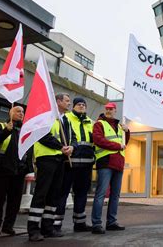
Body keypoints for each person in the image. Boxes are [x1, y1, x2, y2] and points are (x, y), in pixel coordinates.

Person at [27, 93, 74, 242]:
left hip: (59, 159)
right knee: (41, 194)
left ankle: (47, 227)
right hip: (46, 159)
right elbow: (42, 135)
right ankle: (33, 229)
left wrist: (71, 147)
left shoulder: (63, 120)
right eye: (67, 101)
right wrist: (61, 147)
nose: (69, 104)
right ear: (58, 101)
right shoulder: (46, 116)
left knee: (54, 195)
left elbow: (71, 138)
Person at [0, 106, 33, 236]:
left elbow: (28, 149)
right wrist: (7, 131)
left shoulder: (24, 130)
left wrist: (28, 167)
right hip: (3, 169)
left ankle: (8, 226)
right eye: (18, 111)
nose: (21, 113)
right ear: (10, 112)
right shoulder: (1, 126)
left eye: (22, 112)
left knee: (14, 201)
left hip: (19, 170)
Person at [54, 97, 94, 233]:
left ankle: (80, 223)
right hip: (69, 163)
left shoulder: (91, 123)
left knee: (82, 194)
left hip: (86, 165)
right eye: (78, 104)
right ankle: (56, 224)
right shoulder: (66, 118)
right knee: (63, 193)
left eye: (83, 104)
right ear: (73, 107)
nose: (81, 106)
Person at [91, 102, 129, 234]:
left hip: (118, 162)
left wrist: (127, 131)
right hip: (105, 162)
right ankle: (96, 224)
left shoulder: (119, 126)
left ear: (115, 110)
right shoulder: (99, 124)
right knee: (101, 193)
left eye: (111, 109)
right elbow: (98, 140)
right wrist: (117, 147)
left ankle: (111, 222)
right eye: (107, 109)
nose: (108, 110)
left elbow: (124, 143)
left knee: (115, 195)